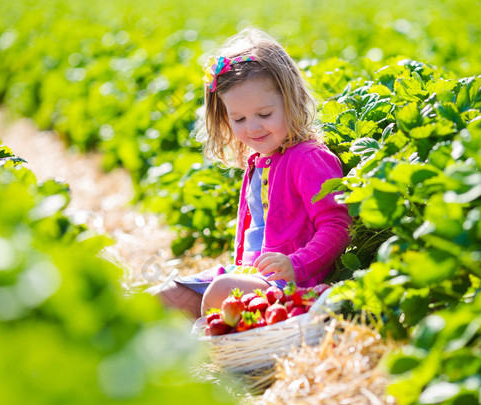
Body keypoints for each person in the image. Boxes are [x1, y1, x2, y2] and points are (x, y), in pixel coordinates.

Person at [150, 27, 351, 319]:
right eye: (239, 119)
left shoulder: (308, 158)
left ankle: (216, 347)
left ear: (291, 100)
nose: (253, 128)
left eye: (264, 115)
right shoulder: (259, 161)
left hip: (288, 284)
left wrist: (296, 264)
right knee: (160, 298)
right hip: (245, 276)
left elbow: (337, 224)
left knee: (221, 291)